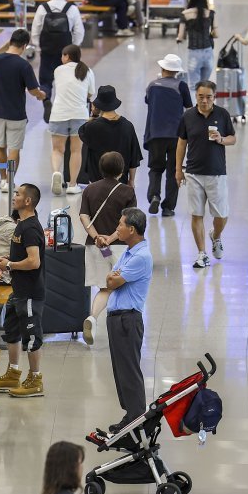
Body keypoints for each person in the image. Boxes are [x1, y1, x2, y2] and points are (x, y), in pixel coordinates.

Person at [0, 184, 47, 398]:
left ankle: (35, 379)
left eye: (18, 194)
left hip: (31, 293)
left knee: (32, 337)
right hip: (18, 290)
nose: (14, 197)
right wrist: (7, 261)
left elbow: (34, 262)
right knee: (11, 331)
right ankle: (14, 372)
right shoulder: (21, 225)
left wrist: (10, 265)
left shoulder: (31, 228)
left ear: (28, 201)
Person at [175, 81, 238, 269]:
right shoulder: (187, 116)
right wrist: (178, 169)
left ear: (214, 96)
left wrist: (221, 139)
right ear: (196, 96)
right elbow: (181, 144)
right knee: (196, 214)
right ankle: (201, 254)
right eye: (201, 96)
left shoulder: (222, 114)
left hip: (217, 172)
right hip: (193, 172)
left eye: (208, 96)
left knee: (222, 214)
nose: (204, 100)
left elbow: (233, 138)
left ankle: (216, 236)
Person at [78, 152, 138, 346]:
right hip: (120, 248)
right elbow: (129, 222)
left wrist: (97, 237)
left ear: (101, 169)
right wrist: (110, 238)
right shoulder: (128, 192)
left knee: (105, 288)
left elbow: (83, 217)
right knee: (125, 287)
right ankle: (123, 329)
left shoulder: (90, 190)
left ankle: (93, 318)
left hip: (94, 247)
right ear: (121, 171)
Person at [102, 208, 151, 430]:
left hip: (127, 320)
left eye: (120, 225)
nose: (117, 229)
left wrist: (114, 277)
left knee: (129, 371)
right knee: (120, 371)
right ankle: (131, 417)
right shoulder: (128, 252)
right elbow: (111, 276)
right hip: (117, 319)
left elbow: (112, 282)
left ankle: (137, 421)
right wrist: (113, 277)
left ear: (132, 229)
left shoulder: (141, 256)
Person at [0, 32, 45, 192]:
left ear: (10, 42)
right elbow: (33, 90)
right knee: (14, 148)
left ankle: (2, 179)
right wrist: (41, 95)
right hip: (16, 113)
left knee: (0, 145)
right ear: (24, 45)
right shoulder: (23, 65)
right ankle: (10, 182)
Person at [142, 54, 193, 217]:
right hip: (176, 136)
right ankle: (168, 207)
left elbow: (148, 100)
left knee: (155, 168)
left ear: (162, 68)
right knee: (174, 171)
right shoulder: (181, 86)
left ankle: (154, 196)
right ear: (176, 72)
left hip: (155, 134)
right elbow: (189, 107)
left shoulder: (152, 86)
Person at [49, 45, 97, 194]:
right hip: (79, 114)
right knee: (76, 151)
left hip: (58, 114)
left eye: (62, 55)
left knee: (58, 150)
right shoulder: (87, 71)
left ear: (67, 56)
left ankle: (57, 172)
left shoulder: (58, 70)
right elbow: (90, 94)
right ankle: (72, 185)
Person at [32, 0, 84, 105]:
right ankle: (62, 106)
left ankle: (46, 100)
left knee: (45, 81)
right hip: (66, 53)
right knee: (66, 81)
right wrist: (74, 47)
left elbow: (35, 30)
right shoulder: (72, 8)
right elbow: (79, 31)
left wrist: (39, 47)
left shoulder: (43, 8)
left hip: (47, 50)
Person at [79, 85, 142, 186]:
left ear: (97, 105)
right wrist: (132, 180)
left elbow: (81, 131)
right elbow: (134, 158)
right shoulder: (128, 126)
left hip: (97, 183)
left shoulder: (91, 127)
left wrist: (94, 115)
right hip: (120, 183)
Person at [177, 0, 216, 84]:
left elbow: (180, 36)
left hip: (194, 53)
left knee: (194, 86)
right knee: (205, 85)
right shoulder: (210, 14)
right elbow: (216, 34)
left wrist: (179, 39)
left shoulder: (185, 14)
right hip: (208, 52)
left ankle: (195, 100)